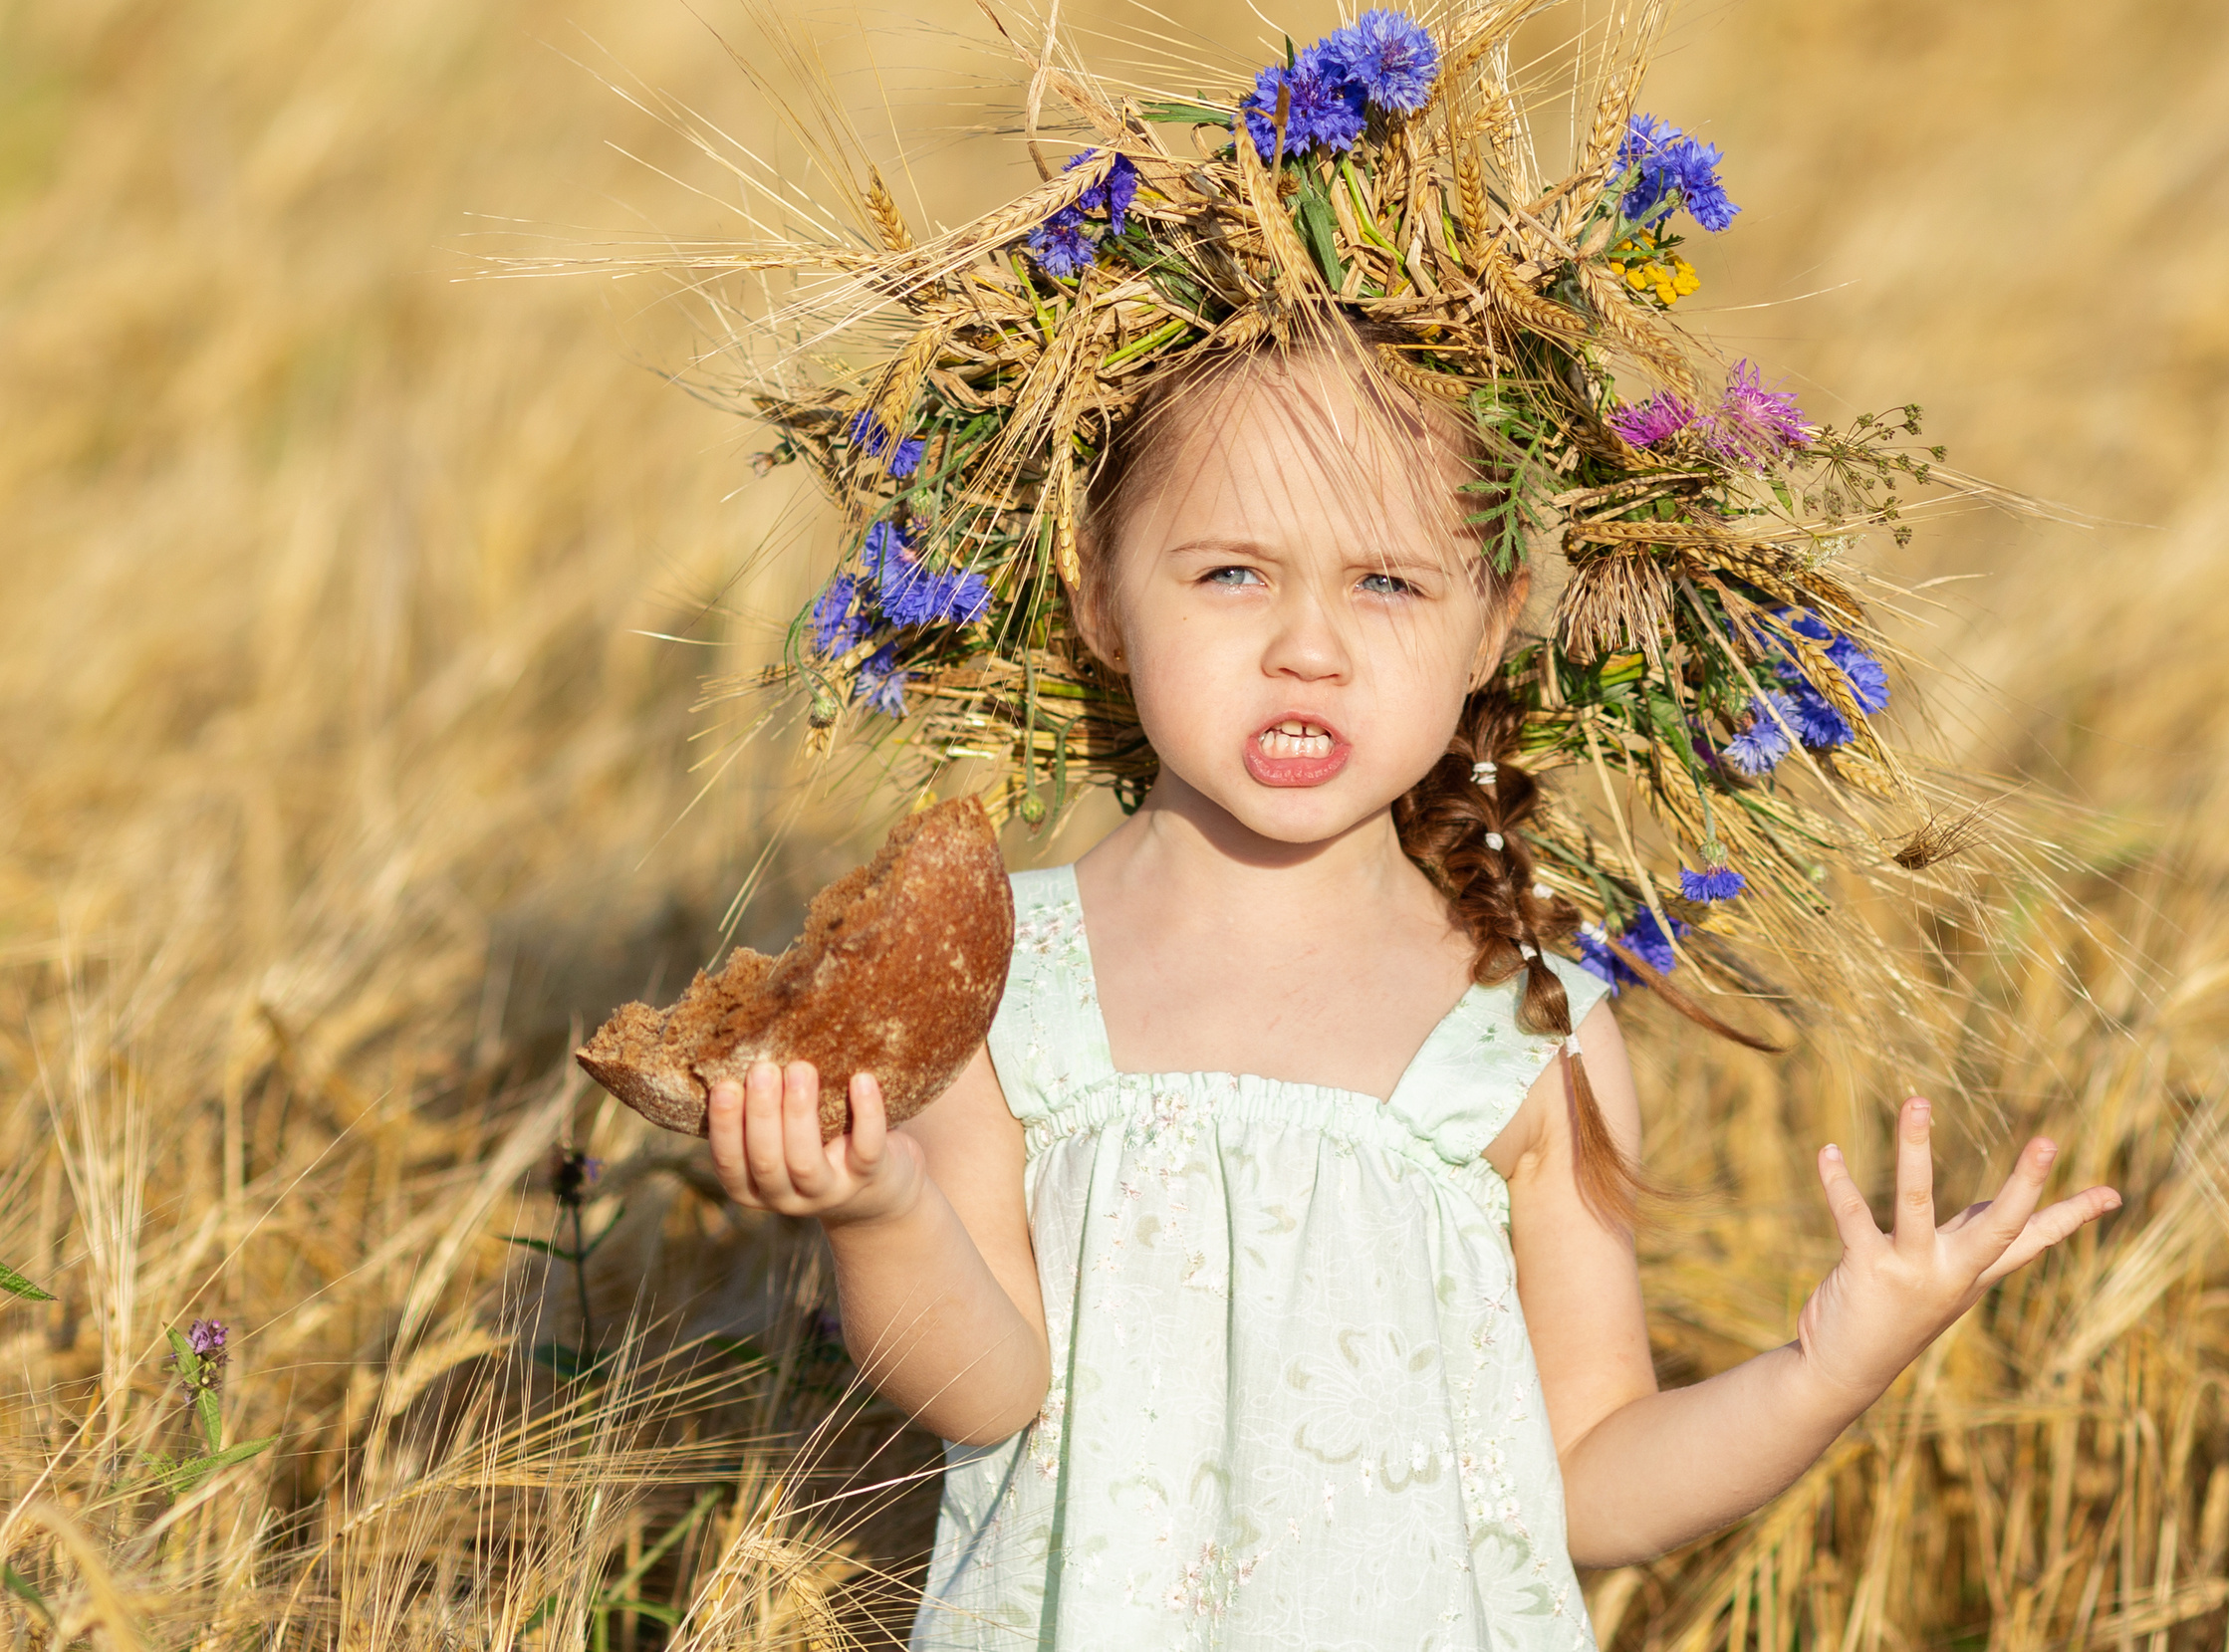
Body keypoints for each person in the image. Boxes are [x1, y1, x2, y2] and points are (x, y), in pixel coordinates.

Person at [697, 323, 2120, 1648]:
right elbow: (986, 1393)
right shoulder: (1014, 982)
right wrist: (877, 1215)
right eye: (1230, 572)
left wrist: (1827, 1368)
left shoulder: (1527, 1025)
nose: (1307, 643)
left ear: (1492, 620)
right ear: (1101, 594)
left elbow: (1590, 1479)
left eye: (1386, 581)